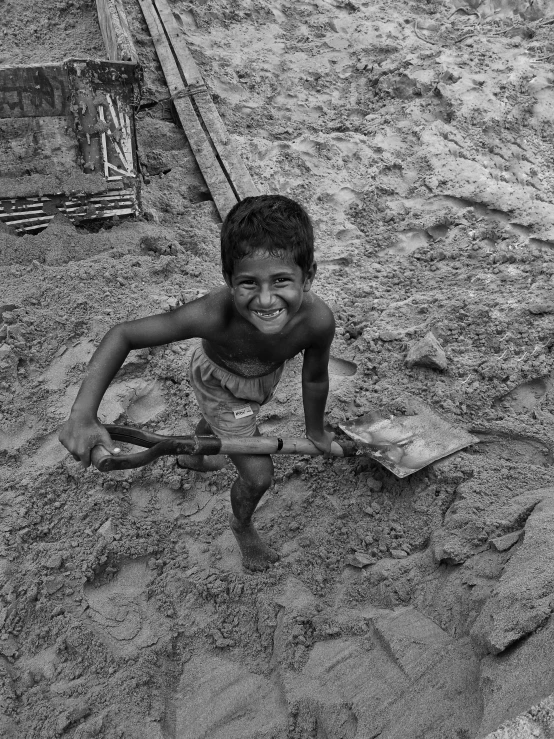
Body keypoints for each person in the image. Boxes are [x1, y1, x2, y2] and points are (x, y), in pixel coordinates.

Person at [59, 194, 335, 571]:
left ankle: (195, 453)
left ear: (310, 275)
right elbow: (123, 335)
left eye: (283, 280)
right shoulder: (213, 315)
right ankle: (242, 525)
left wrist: (316, 431)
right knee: (258, 475)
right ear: (228, 279)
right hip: (217, 381)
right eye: (249, 283)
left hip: (261, 379)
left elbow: (315, 376)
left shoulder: (317, 321)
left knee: (229, 419)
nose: (266, 299)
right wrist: (82, 413)